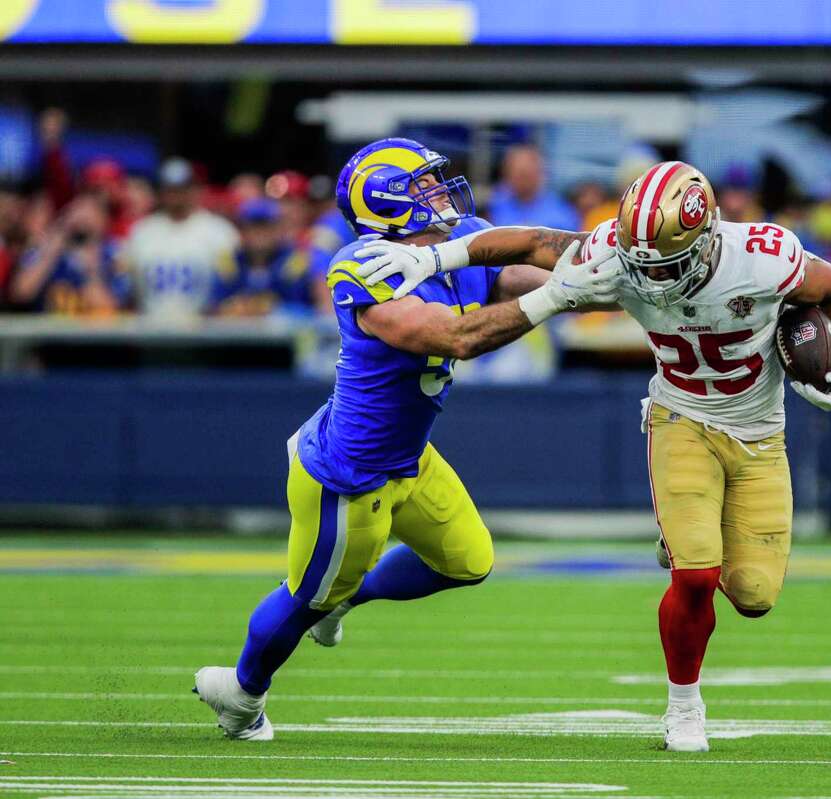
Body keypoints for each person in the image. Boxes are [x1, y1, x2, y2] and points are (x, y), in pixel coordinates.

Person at [353, 160, 831, 752]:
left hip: (759, 433)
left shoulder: (764, 256)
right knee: (696, 577)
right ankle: (684, 707)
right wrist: (432, 258)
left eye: (669, 263)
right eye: (642, 263)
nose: (652, 279)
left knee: (753, 596)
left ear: (707, 236)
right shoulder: (619, 251)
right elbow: (530, 242)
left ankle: (684, 536)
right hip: (681, 417)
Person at [192, 137, 619, 741]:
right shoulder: (361, 267)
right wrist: (559, 296)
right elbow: (456, 337)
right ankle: (241, 693)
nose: (440, 191)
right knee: (303, 599)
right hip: (350, 473)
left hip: (410, 458)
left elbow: (524, 266)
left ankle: (349, 596)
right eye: (422, 184)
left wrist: (616, 262)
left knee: (469, 562)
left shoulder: (457, 236)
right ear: (387, 201)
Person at [121, 158, 238, 319]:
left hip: (205, 335)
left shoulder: (220, 232)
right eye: (170, 188)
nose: (176, 195)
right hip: (149, 332)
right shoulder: (142, 231)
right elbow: (126, 286)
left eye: (182, 188)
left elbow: (232, 285)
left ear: (195, 189)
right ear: (161, 191)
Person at [9, 194, 126, 315]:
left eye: (93, 212)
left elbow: (108, 309)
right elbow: (20, 293)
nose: (84, 216)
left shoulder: (113, 254)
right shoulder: (45, 248)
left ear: (104, 220)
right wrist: (52, 249)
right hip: (48, 331)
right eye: (78, 209)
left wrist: (90, 270)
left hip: (91, 331)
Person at [210, 198, 324, 317]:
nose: (260, 234)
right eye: (253, 227)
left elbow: (310, 311)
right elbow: (214, 307)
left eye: (266, 227)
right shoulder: (229, 264)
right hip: (237, 332)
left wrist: (272, 310)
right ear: (242, 231)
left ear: (278, 229)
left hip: (283, 334)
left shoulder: (295, 263)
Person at [486, 144, 579, 230]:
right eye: (514, 173)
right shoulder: (495, 203)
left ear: (541, 174)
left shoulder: (560, 210)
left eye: (525, 175)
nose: (521, 181)